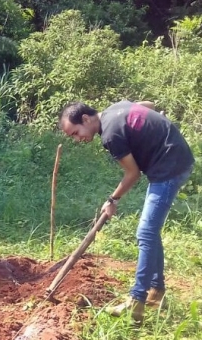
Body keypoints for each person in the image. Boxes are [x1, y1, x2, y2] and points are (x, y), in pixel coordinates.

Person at [59, 101, 195, 324]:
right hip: (175, 157)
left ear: (86, 119)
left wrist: (112, 200)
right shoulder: (115, 108)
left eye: (76, 132)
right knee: (151, 232)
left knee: (146, 233)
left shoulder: (110, 135)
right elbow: (147, 104)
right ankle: (157, 292)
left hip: (170, 166)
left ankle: (136, 300)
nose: (77, 139)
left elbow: (133, 174)